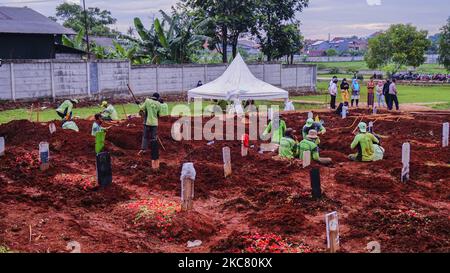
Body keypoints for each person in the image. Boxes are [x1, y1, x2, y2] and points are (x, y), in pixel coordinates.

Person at [138, 93, 162, 164]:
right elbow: (159, 114)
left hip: (147, 123)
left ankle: (143, 149)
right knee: (153, 137)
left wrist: (138, 103)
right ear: (157, 98)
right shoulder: (158, 104)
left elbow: (141, 108)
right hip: (154, 123)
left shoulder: (147, 101)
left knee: (145, 136)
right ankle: (154, 151)